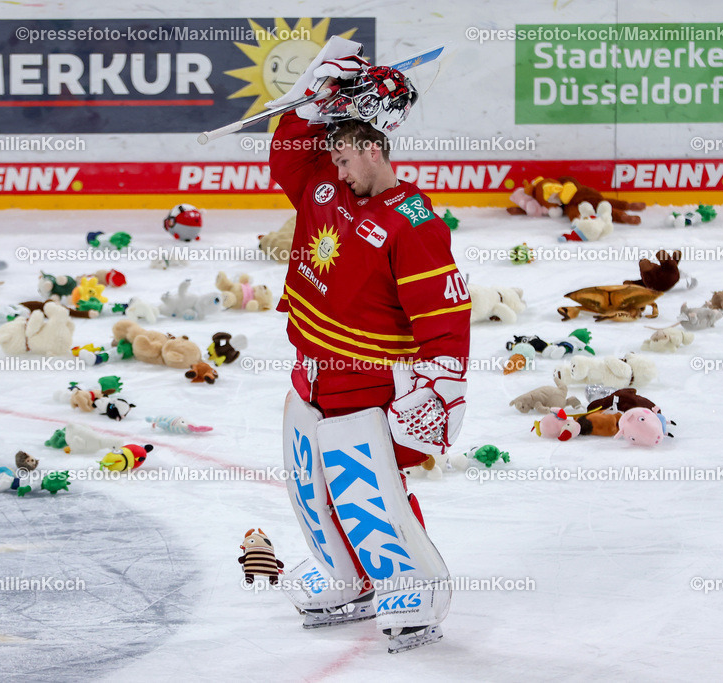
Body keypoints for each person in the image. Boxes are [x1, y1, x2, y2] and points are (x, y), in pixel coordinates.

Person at [267, 37, 471, 654]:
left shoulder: (414, 224)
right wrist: (309, 99)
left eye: (346, 156)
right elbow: (288, 159)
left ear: (374, 149)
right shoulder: (324, 187)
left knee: (368, 488)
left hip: (368, 379)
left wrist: (439, 389)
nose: (337, 166)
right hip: (311, 370)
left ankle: (409, 587)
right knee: (311, 485)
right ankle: (347, 576)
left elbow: (444, 313)